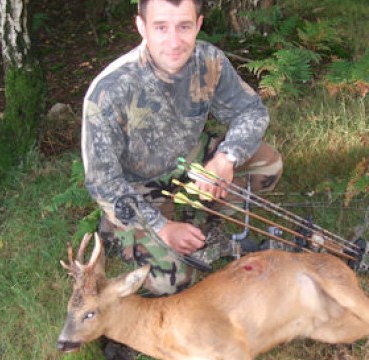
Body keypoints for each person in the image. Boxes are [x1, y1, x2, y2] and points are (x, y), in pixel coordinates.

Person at [82, 0, 283, 297]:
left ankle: (197, 210)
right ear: (141, 27)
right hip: (137, 188)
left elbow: (251, 111)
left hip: (190, 163)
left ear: (199, 24)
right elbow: (103, 183)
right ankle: (117, 229)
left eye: (184, 27)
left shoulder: (209, 60)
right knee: (171, 280)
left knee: (268, 166)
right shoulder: (109, 91)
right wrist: (162, 227)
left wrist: (226, 158)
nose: (174, 42)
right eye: (161, 28)